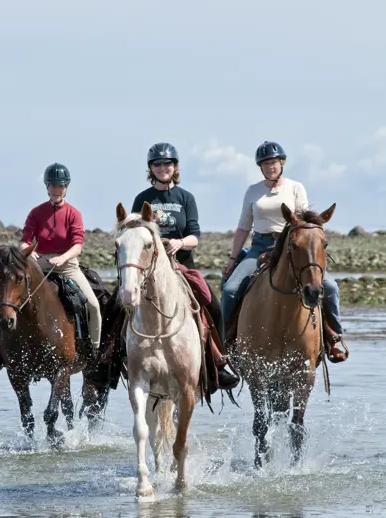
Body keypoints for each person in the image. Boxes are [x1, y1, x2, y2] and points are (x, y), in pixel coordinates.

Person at [221, 141, 347, 362]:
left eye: (274, 163)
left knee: (330, 287)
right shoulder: (253, 191)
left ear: (282, 163)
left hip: (293, 246)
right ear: (261, 166)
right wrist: (233, 258)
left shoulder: (295, 188)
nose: (271, 167)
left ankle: (333, 337)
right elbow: (243, 226)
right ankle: (225, 341)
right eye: (266, 163)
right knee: (231, 289)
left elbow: (304, 222)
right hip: (259, 246)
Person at [131, 142, 238, 387]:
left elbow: (195, 235)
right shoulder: (142, 199)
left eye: (167, 163)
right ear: (151, 168)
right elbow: (136, 234)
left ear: (175, 166)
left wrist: (179, 243)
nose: (162, 168)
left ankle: (220, 362)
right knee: (118, 302)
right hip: (148, 269)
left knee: (213, 305)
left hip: (181, 266)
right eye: (156, 164)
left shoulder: (185, 197)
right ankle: (108, 362)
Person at [0, 163, 101, 370]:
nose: (57, 190)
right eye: (53, 186)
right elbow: (25, 240)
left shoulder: (74, 214)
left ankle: (93, 350)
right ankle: (1, 349)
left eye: (61, 186)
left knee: (93, 305)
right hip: (37, 263)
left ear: (67, 187)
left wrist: (63, 258)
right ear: (47, 187)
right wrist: (30, 252)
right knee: (7, 301)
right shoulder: (36, 213)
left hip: (66, 264)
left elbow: (77, 245)